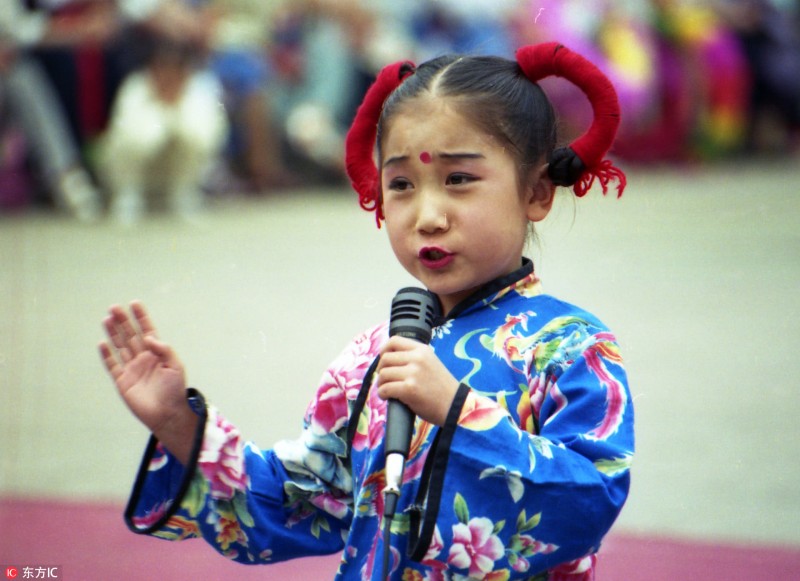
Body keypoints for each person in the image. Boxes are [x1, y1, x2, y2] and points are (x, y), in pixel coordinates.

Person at [99, 42, 634, 579]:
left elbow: (591, 502)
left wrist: (459, 410)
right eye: (401, 184)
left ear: (537, 192)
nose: (427, 216)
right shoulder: (367, 359)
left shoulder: (571, 344)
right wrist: (180, 426)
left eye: (459, 180)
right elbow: (300, 505)